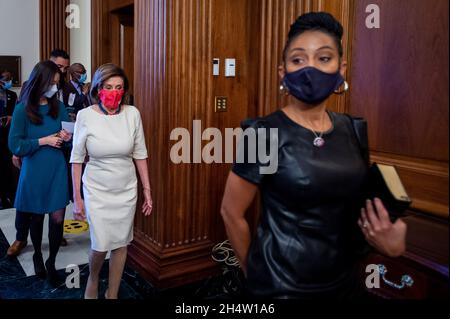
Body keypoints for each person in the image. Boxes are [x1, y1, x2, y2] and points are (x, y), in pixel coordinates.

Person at [220, 12, 407, 299]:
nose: (310, 69)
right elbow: (231, 213)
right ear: (282, 73)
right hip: (280, 287)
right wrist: (254, 275)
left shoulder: (353, 129)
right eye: (298, 60)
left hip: (345, 282)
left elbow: (358, 208)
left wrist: (387, 239)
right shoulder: (263, 132)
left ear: (340, 69)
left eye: (323, 58)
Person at [71, 63, 153, 299]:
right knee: (100, 244)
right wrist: (77, 199)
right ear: (97, 88)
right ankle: (94, 278)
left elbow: (140, 154)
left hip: (126, 189)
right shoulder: (85, 117)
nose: (114, 92)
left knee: (121, 244)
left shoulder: (132, 114)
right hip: (97, 190)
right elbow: (77, 160)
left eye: (119, 87)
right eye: (108, 87)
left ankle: (113, 293)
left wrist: (147, 190)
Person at [8, 60, 72, 286]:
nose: (54, 87)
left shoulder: (59, 108)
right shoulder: (22, 110)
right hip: (34, 169)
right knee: (36, 216)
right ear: (39, 81)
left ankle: (52, 261)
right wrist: (43, 140)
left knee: (57, 219)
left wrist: (67, 138)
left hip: (56, 168)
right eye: (51, 83)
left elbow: (66, 140)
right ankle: (37, 253)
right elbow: (16, 145)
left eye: (57, 83)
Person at [0, 70, 18, 209]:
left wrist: (11, 118)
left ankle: (8, 196)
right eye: (6, 79)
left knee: (8, 167)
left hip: (8, 134)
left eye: (10, 78)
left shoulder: (12, 94)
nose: (9, 81)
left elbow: (15, 112)